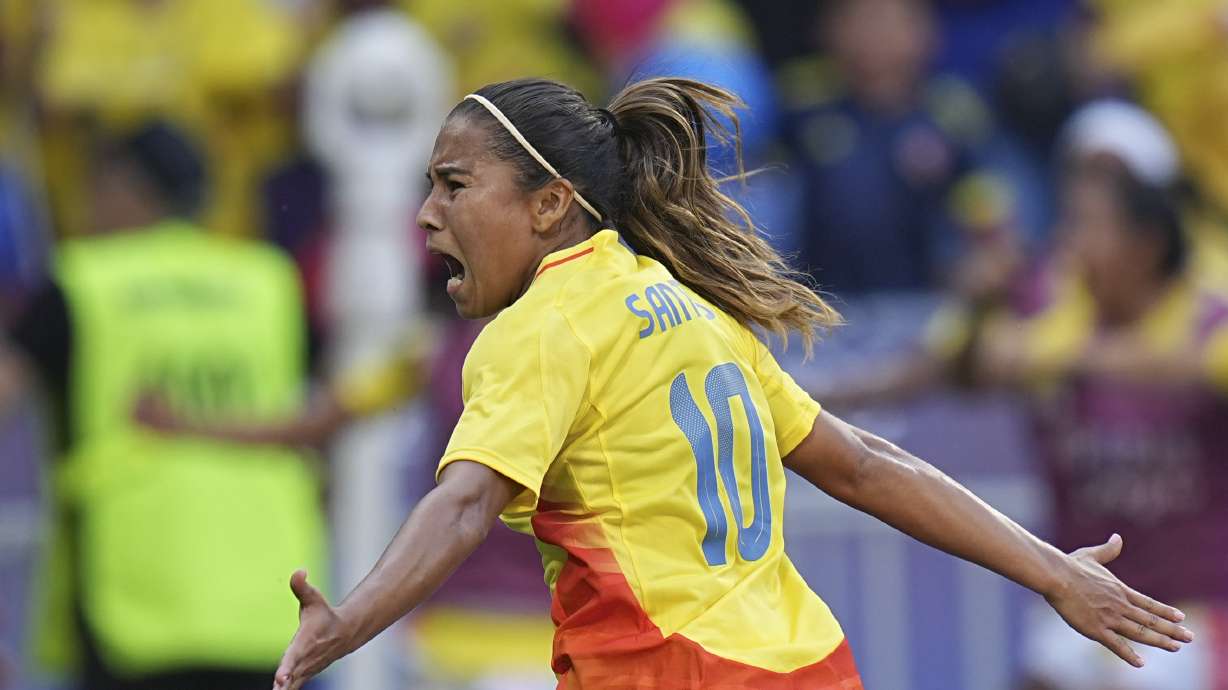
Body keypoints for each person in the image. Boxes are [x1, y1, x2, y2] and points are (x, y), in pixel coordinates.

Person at [269, 77, 1194, 690]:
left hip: (671, 672)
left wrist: (353, 622)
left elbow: (467, 501)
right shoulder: (689, 310)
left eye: (453, 185)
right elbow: (866, 463)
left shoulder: (542, 327)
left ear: (550, 204)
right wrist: (1049, 571)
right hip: (808, 668)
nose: (426, 215)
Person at [0, 122, 326, 690]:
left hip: (133, 600)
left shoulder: (83, 280)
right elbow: (314, 416)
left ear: (126, 188)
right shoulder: (268, 280)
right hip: (268, 600)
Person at [967, 102, 1228, 690]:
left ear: (1148, 240)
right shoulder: (1046, 296)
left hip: (1194, 608)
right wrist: (985, 303)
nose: (1072, 243)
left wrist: (1064, 357)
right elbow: (977, 357)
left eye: (1092, 226)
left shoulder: (1208, 307)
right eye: (1070, 220)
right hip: (1083, 596)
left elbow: (1194, 362)